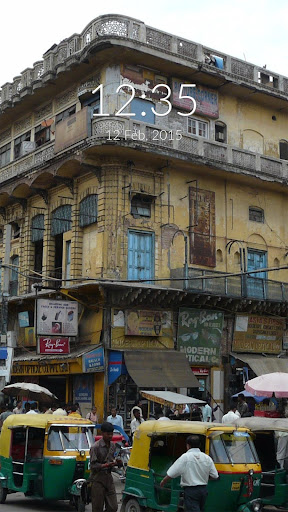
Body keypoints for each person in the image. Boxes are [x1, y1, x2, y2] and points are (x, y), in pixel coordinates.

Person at [160, 435, 218, 512]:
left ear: (188, 445)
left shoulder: (185, 457)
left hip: (191, 491)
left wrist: (163, 481)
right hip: (203, 490)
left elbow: (172, 473)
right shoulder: (207, 458)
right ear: (199, 445)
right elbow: (215, 476)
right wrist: (203, 477)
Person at [89, 422, 121, 512]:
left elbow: (113, 460)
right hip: (97, 479)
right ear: (102, 433)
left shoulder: (113, 446)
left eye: (111, 434)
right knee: (97, 507)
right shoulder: (95, 447)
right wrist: (105, 465)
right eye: (108, 434)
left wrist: (118, 463)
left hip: (109, 479)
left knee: (113, 507)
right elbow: (93, 465)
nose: (110, 436)